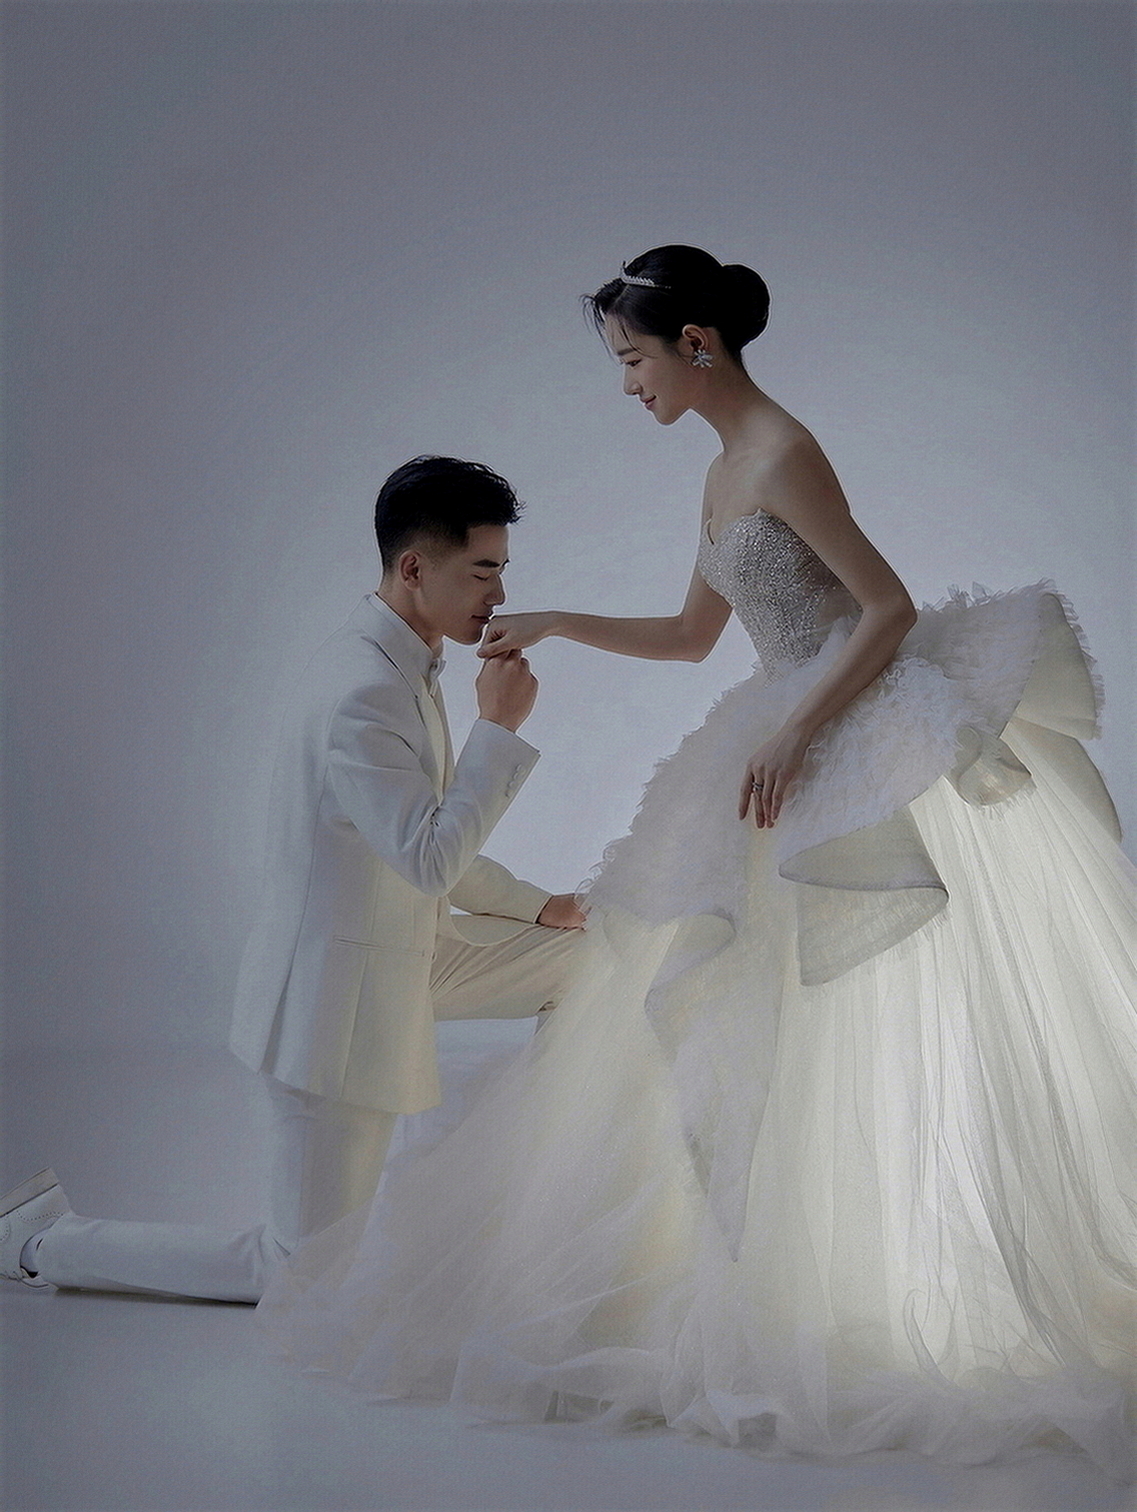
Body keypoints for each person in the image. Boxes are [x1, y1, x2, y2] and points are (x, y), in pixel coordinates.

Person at [257, 250, 1136, 1475]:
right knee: (727, 1009)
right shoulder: (722, 471)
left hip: (837, 735)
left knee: (840, 1015)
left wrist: (796, 729)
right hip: (779, 734)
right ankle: (758, 1276)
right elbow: (688, 638)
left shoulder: (781, 452)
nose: (629, 385)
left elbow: (883, 609)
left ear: (698, 344)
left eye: (634, 359)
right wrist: (559, 622)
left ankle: (867, 1282)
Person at [1, 456, 585, 1303]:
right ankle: (39, 1241)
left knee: (597, 956)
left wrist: (544, 909)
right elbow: (428, 856)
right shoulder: (362, 690)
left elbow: (417, 840)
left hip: (413, 956)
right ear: (413, 568)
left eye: (502, 571)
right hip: (334, 1006)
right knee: (298, 1276)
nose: (498, 594)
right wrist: (497, 730)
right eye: (482, 571)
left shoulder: (402, 661)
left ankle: (555, 1202)